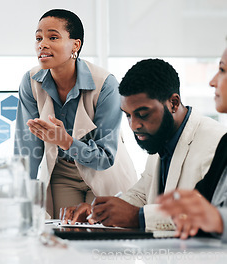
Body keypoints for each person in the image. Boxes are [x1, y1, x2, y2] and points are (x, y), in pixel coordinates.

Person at [63, 58, 227, 230]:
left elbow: (205, 214)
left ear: (174, 103)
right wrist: (99, 212)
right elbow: (141, 194)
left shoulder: (216, 143)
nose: (134, 125)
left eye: (142, 114)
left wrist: (138, 217)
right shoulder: (160, 136)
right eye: (128, 115)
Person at [14, 8, 137, 218]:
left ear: (75, 45)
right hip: (62, 172)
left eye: (53, 37)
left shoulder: (105, 84)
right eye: (38, 38)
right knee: (64, 230)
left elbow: (105, 157)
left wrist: (67, 142)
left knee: (101, 233)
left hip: (105, 171)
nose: (42, 44)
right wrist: (20, 196)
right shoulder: (31, 82)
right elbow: (27, 148)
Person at [158, 47, 227, 241]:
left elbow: (212, 216)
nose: (212, 81)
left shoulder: (213, 138)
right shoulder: (226, 145)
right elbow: (199, 205)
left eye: (222, 70)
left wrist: (219, 220)